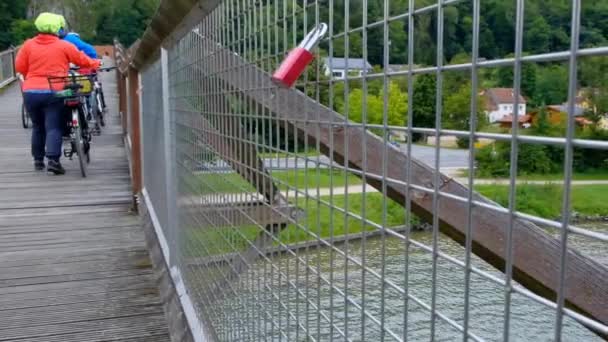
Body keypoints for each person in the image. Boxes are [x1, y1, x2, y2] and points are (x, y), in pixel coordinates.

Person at [15, 12, 101, 175]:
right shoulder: (64, 45)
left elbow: (20, 68)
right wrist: (97, 63)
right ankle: (53, 161)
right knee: (53, 126)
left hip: (31, 92)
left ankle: (38, 161)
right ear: (57, 27)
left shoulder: (28, 45)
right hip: (54, 90)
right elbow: (83, 60)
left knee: (38, 126)